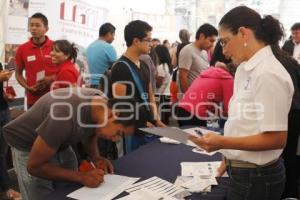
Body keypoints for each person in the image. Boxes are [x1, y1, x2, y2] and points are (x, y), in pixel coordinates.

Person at [189, 6, 294, 200]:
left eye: (225, 41)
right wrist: (228, 156)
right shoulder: (246, 69)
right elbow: (243, 123)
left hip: (257, 178)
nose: (223, 50)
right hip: (242, 172)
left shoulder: (268, 74)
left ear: (244, 34)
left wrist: (222, 142)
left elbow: (276, 138)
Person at [3, 87, 147, 200]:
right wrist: (81, 176)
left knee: (69, 188)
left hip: (61, 141)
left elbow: (91, 131)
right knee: (41, 193)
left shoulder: (100, 106)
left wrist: (96, 157)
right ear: (113, 115)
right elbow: (34, 167)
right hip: (26, 144)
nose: (115, 140)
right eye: (118, 134)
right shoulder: (64, 115)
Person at [111, 20, 166, 153]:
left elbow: (150, 96)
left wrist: (157, 120)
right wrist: (142, 124)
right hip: (131, 130)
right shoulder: (120, 67)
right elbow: (120, 105)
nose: (151, 44)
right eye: (148, 40)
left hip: (148, 127)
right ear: (136, 41)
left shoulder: (144, 64)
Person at [178, 42, 234, 128]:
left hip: (181, 109)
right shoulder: (228, 79)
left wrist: (220, 113)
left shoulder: (209, 73)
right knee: (197, 139)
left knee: (187, 139)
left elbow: (208, 102)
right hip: (195, 114)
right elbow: (228, 108)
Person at [15, 13, 57, 108]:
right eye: (31, 25)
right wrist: (27, 87)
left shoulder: (56, 46)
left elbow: (65, 70)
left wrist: (50, 79)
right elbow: (18, 73)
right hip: (33, 99)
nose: (33, 28)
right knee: (33, 123)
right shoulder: (22, 49)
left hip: (55, 97)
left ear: (46, 29)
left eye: (37, 25)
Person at [177, 23, 218, 94]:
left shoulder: (204, 52)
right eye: (211, 40)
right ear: (202, 36)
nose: (212, 44)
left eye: (214, 41)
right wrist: (189, 96)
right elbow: (182, 77)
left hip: (201, 96)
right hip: (192, 98)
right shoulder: (188, 51)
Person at [0, 63, 21, 200]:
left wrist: (6, 96)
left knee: (2, 153)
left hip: (3, 110)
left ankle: (6, 188)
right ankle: (6, 187)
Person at [86, 23, 117, 88]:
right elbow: (117, 68)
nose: (114, 38)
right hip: (104, 84)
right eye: (113, 35)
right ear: (109, 34)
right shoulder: (108, 47)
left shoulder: (90, 47)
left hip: (92, 84)